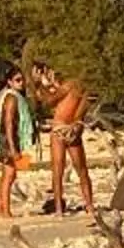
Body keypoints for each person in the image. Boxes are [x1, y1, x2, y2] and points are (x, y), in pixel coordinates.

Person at [44, 66, 94, 214]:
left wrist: (43, 86)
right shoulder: (84, 90)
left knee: (59, 170)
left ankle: (60, 207)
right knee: (80, 170)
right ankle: (88, 204)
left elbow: (50, 101)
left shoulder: (70, 85)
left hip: (62, 128)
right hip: (72, 128)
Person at [0, 69, 36, 219]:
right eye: (17, 80)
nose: (21, 83)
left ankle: (0, 209)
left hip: (13, 139)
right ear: (9, 82)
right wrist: (13, 148)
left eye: (22, 80)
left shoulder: (17, 97)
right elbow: (8, 123)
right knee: (9, 175)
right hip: (9, 140)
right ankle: (5, 211)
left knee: (7, 176)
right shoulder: (11, 98)